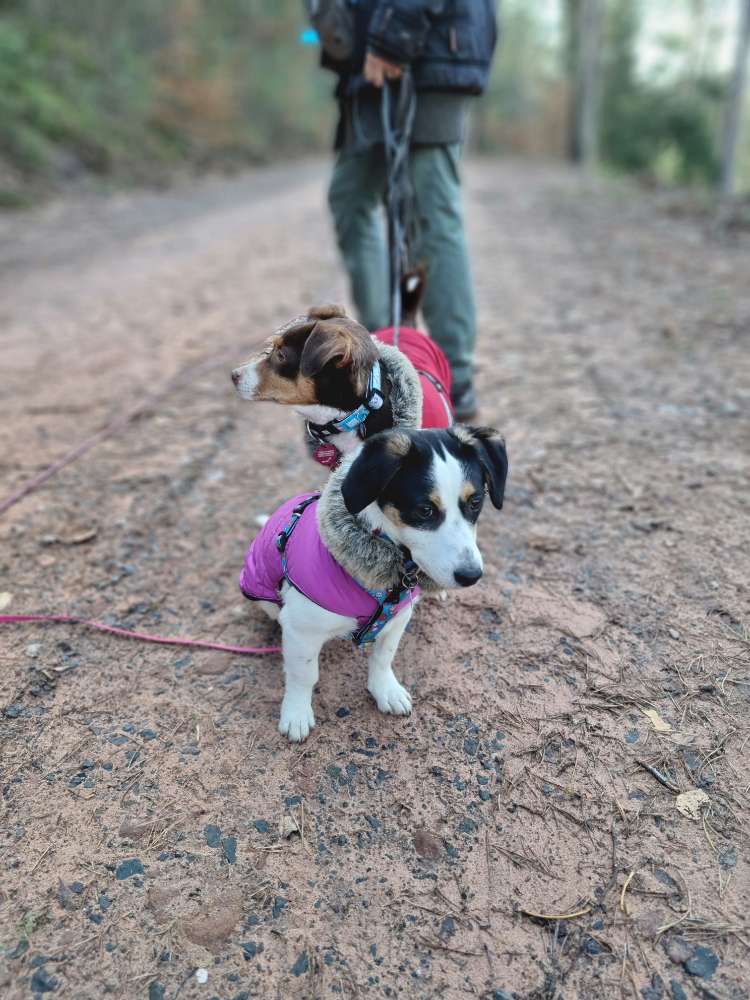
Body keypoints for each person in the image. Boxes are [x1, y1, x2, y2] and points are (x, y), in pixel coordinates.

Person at [317, 0, 499, 421]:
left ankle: (453, 377)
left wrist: (392, 36)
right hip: (369, 64)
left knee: (430, 213)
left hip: (428, 49)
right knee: (350, 197)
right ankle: (386, 355)